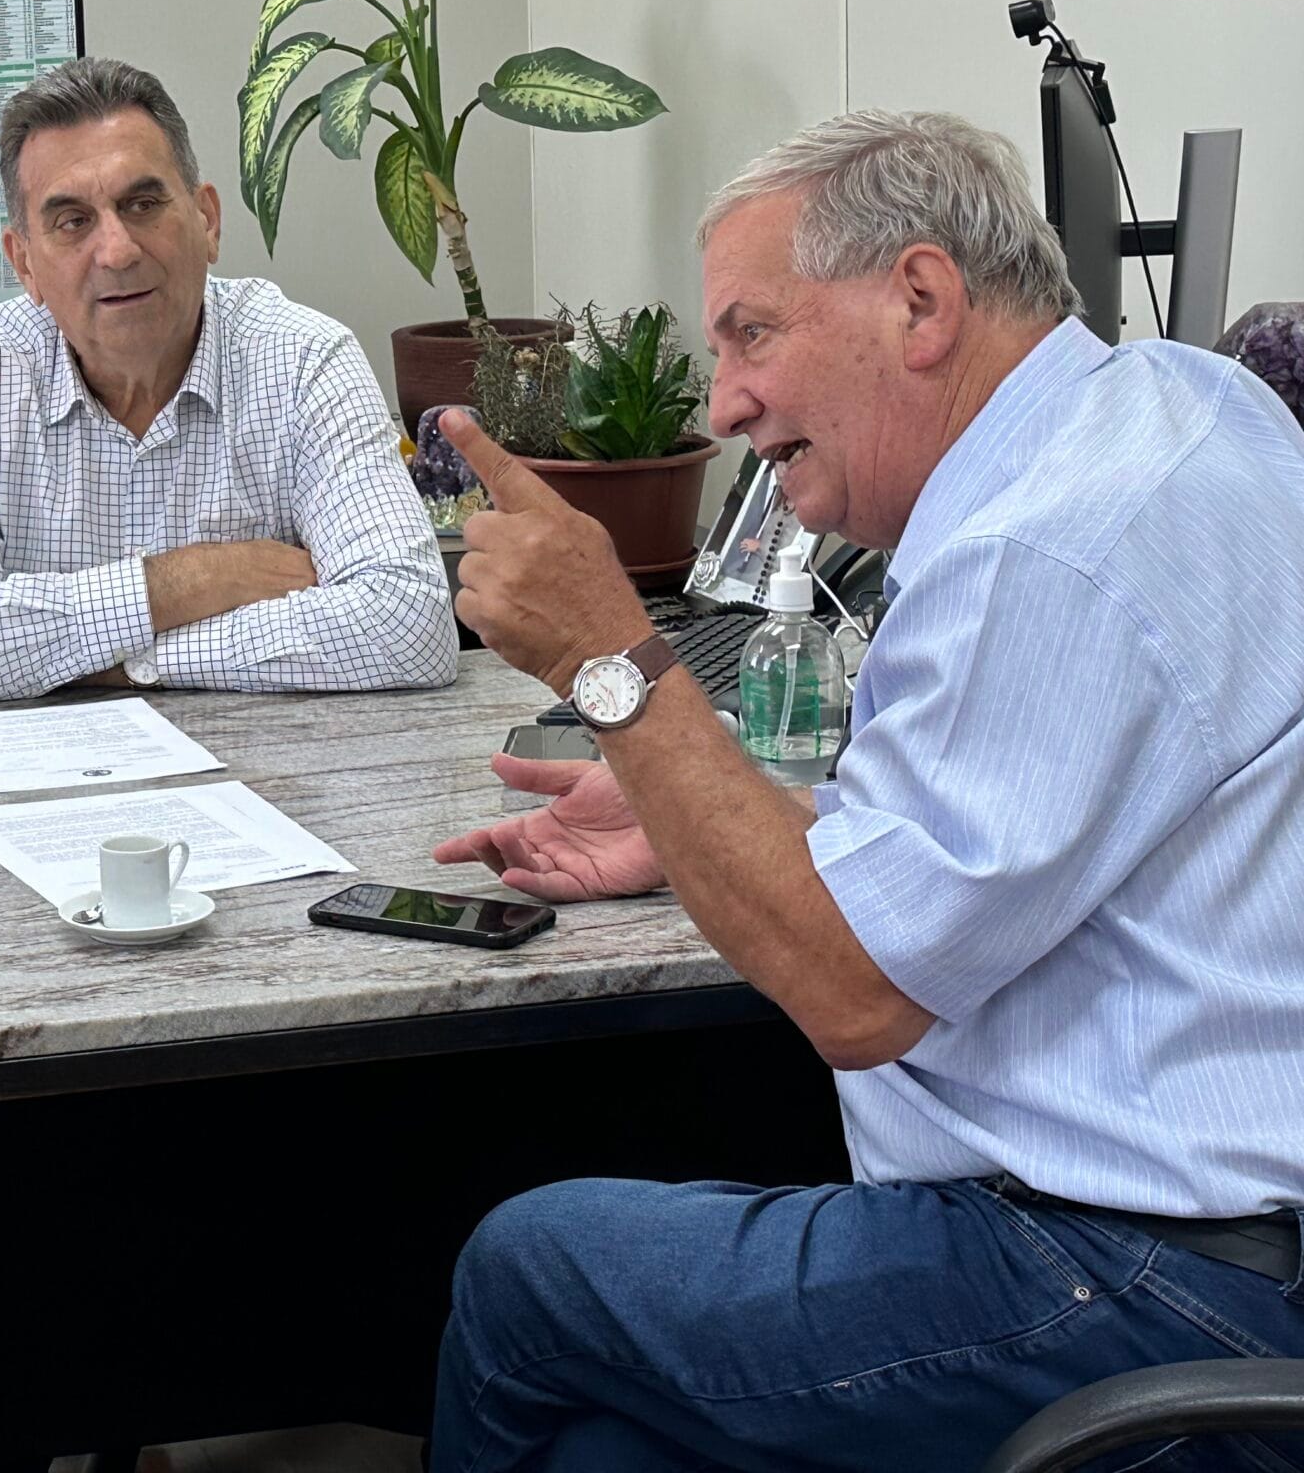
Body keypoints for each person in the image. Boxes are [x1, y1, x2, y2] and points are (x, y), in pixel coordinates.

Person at [427, 109, 1304, 1470]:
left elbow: (856, 994)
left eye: (752, 335)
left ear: (921, 302)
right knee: (602, 1448)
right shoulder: (1185, 407)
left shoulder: (1041, 554)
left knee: (529, 1271)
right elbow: (1000, 843)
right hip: (1217, 1243)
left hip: (1145, 1285)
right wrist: (698, 812)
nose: (725, 404)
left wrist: (613, 660)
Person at [0, 56, 456, 704]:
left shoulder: (303, 358)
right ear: (25, 264)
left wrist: (119, 663)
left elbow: (409, 621)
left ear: (206, 220)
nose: (118, 251)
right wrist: (188, 581)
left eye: (143, 204)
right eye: (73, 221)